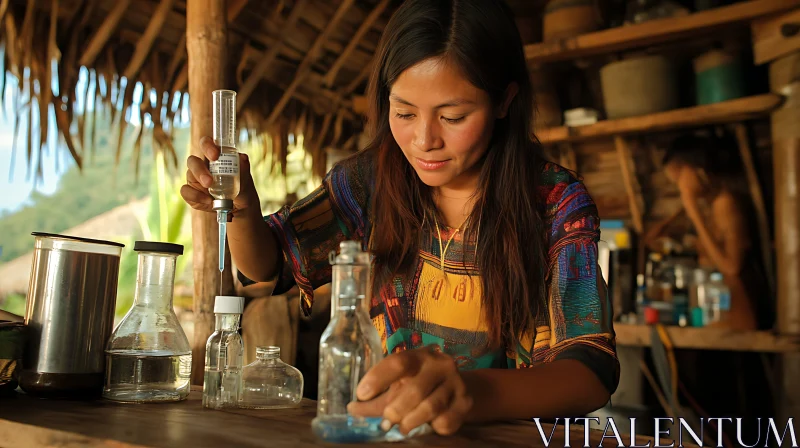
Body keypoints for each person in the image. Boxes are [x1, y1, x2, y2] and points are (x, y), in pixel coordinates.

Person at [181, 0, 618, 436]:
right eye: (404, 113)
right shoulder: (367, 182)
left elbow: (590, 370)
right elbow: (266, 267)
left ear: (504, 100)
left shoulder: (555, 201)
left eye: (453, 116)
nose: (424, 139)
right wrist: (240, 205)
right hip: (389, 434)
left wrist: (465, 393)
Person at [660, 132, 773, 331]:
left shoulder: (726, 204)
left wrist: (692, 208)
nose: (679, 187)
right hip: (720, 313)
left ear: (696, 169)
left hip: (740, 313)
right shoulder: (713, 205)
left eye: (679, 179)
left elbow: (732, 267)